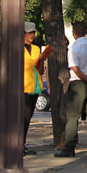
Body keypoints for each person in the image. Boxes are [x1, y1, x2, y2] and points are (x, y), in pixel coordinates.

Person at [55, 21, 87, 158]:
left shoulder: (73, 48)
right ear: (85, 31)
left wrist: (86, 80)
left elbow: (75, 69)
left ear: (74, 33)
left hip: (78, 83)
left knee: (73, 116)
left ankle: (69, 147)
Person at [22, 22, 48, 155]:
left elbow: (39, 68)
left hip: (35, 85)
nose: (32, 35)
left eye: (33, 32)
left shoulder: (36, 48)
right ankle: (18, 145)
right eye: (29, 32)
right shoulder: (17, 48)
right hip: (22, 86)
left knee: (28, 116)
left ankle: (22, 144)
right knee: (23, 116)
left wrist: (42, 59)